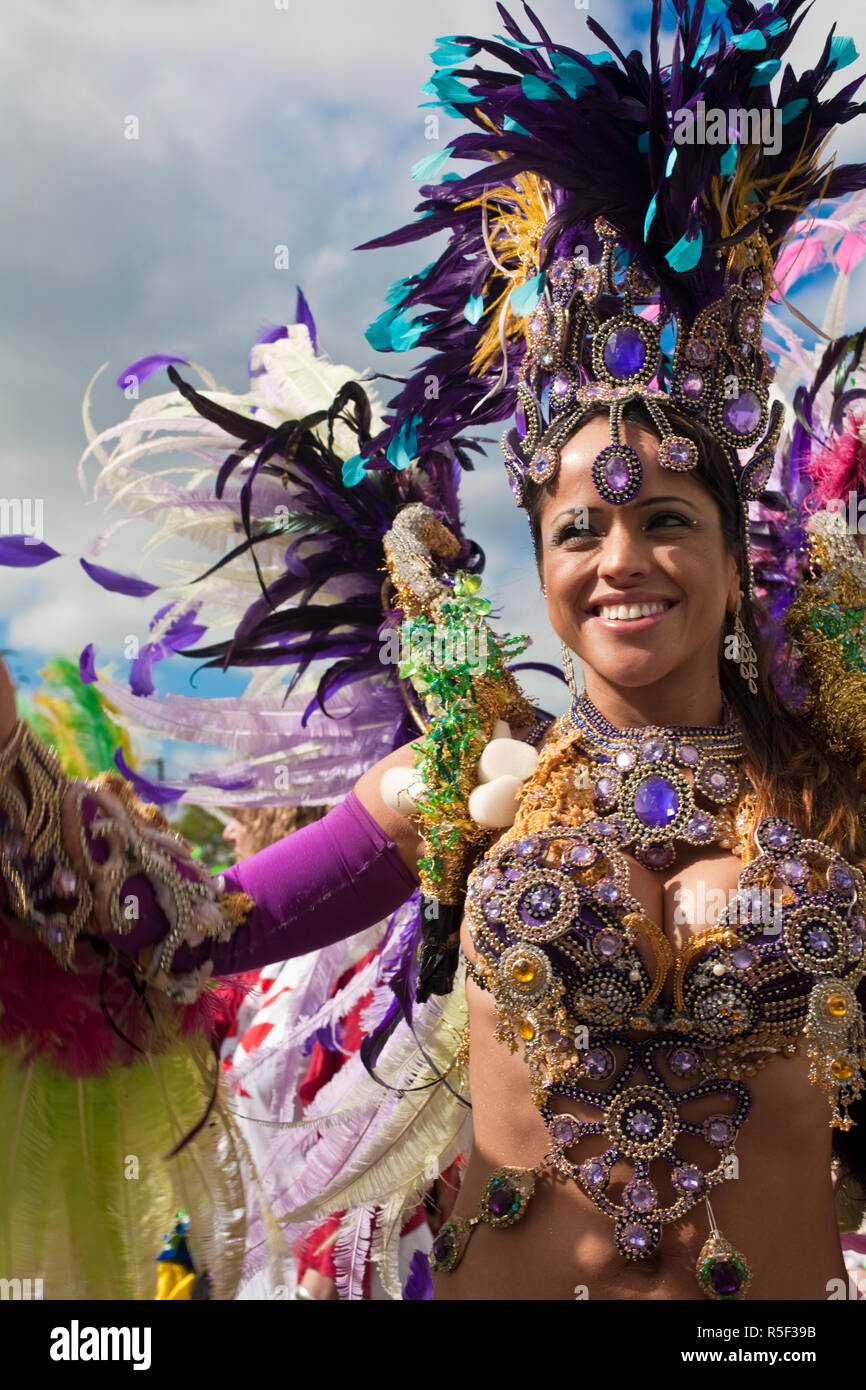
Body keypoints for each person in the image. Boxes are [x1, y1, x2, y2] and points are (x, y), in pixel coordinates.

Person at [2, 0, 866, 1303]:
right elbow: (189, 931)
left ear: (738, 564)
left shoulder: (832, 790)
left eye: (666, 520)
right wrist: (31, 815)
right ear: (540, 557)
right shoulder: (459, 772)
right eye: (579, 526)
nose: (620, 557)